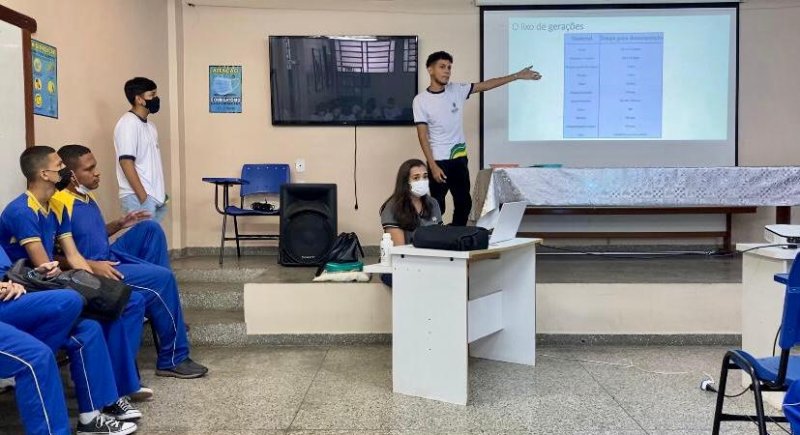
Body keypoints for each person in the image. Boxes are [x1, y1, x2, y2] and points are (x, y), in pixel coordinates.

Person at [0, 146, 147, 419]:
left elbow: (74, 255)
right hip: (29, 283)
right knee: (94, 314)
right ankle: (105, 396)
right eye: (59, 165)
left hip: (51, 277)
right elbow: (42, 264)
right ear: (45, 173)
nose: (64, 170)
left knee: (115, 303)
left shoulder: (56, 204)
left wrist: (95, 284)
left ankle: (116, 393)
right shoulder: (21, 210)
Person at [55, 144, 208, 379]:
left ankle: (159, 306)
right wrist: (92, 265)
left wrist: (119, 224)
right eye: (90, 169)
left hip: (109, 254)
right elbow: (53, 256)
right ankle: (173, 357)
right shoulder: (60, 204)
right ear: (72, 175)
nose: (97, 173)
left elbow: (89, 237)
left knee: (149, 228)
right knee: (163, 278)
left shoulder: (85, 195)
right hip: (94, 270)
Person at [0, 251, 138, 434]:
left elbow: (9, 273)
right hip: (6, 303)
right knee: (66, 305)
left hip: (14, 294)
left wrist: (34, 274)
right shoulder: (23, 220)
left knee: (88, 329)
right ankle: (14, 368)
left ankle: (91, 417)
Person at [412, 51, 541, 226]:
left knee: (464, 203)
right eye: (442, 67)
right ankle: (434, 239)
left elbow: (486, 85)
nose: (447, 71)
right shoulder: (421, 100)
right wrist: (433, 166)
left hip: (459, 158)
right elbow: (422, 135)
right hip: (438, 161)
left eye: (449, 67)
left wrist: (517, 76)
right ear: (430, 70)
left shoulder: (457, 90)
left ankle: (455, 236)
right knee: (436, 206)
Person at [378, 159, 443, 287]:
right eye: (416, 178)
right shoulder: (392, 207)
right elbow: (400, 251)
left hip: (429, 263)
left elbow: (440, 239)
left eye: (425, 177)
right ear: (405, 182)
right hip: (397, 266)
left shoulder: (433, 204)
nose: (422, 181)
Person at [115, 77, 167, 222]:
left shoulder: (151, 126)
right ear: (139, 99)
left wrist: (159, 194)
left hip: (154, 198)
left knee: (152, 242)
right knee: (141, 243)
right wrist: (144, 198)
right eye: (152, 95)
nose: (156, 99)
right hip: (138, 198)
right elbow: (126, 162)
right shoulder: (128, 123)